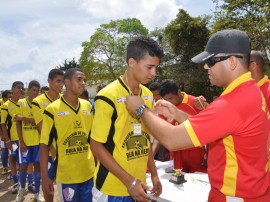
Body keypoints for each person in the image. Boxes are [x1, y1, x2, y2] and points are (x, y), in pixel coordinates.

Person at [125, 29, 270, 201]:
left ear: (232, 62)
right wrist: (178, 114)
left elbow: (172, 140)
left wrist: (142, 110)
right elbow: (215, 129)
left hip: (235, 196)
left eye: (211, 61)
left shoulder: (232, 103)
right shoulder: (250, 91)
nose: (206, 67)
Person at [90, 36, 164, 202]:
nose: (154, 73)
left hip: (139, 185)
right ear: (132, 62)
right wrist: (129, 182)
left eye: (156, 67)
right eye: (150, 67)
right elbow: (95, 145)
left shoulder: (148, 95)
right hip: (113, 188)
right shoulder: (107, 96)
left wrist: (153, 173)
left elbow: (146, 140)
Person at [40, 68, 95, 202]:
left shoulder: (87, 106)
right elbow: (44, 145)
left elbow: (92, 140)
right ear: (67, 82)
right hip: (66, 175)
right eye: (79, 80)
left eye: (84, 80)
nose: (83, 83)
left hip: (88, 172)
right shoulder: (52, 110)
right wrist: (45, 177)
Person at [157, 79, 207, 173]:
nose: (168, 102)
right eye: (165, 99)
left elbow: (208, 129)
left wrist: (208, 154)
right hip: (176, 153)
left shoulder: (194, 102)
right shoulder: (164, 107)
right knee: (177, 181)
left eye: (170, 98)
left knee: (199, 180)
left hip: (195, 152)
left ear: (179, 92)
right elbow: (160, 132)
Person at [32, 68, 64, 201]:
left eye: (62, 82)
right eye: (57, 81)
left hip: (65, 150)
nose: (61, 85)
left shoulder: (65, 100)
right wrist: (53, 149)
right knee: (48, 184)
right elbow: (42, 129)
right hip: (50, 152)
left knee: (66, 185)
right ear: (49, 81)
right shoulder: (38, 102)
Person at [15, 80, 43, 202]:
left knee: (37, 167)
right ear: (28, 90)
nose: (35, 93)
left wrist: (25, 118)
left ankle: (37, 193)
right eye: (33, 90)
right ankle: (21, 190)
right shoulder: (21, 103)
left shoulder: (40, 104)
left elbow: (39, 122)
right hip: (25, 142)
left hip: (37, 142)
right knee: (23, 167)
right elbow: (18, 122)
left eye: (37, 91)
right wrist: (21, 141)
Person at [1, 81, 24, 194]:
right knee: (13, 158)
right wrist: (8, 140)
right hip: (13, 140)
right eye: (18, 88)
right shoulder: (6, 106)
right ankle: (16, 182)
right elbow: (3, 124)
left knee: (23, 161)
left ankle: (23, 182)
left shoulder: (23, 103)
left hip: (24, 139)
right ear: (12, 89)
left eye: (22, 88)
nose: (21, 90)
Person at [148, 82, 170, 162]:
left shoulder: (169, 105)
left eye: (158, 94)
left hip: (164, 142)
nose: (156, 97)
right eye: (153, 95)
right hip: (151, 140)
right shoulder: (149, 105)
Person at [0, 90, 12, 175]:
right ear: (4, 98)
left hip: (12, 134)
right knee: (4, 149)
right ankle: (4, 167)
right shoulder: (2, 107)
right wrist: (2, 134)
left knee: (12, 150)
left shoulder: (12, 106)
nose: (11, 98)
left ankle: (13, 168)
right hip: (4, 133)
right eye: (9, 97)